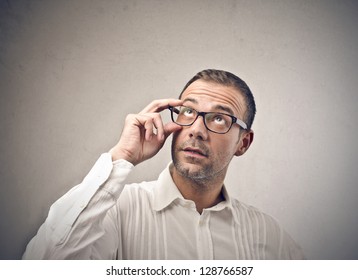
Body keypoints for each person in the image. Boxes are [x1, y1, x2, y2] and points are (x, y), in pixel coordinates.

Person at [22, 69, 304, 259]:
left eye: (219, 118)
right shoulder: (117, 210)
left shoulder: (268, 236)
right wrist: (121, 157)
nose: (196, 129)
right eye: (188, 111)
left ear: (243, 143)